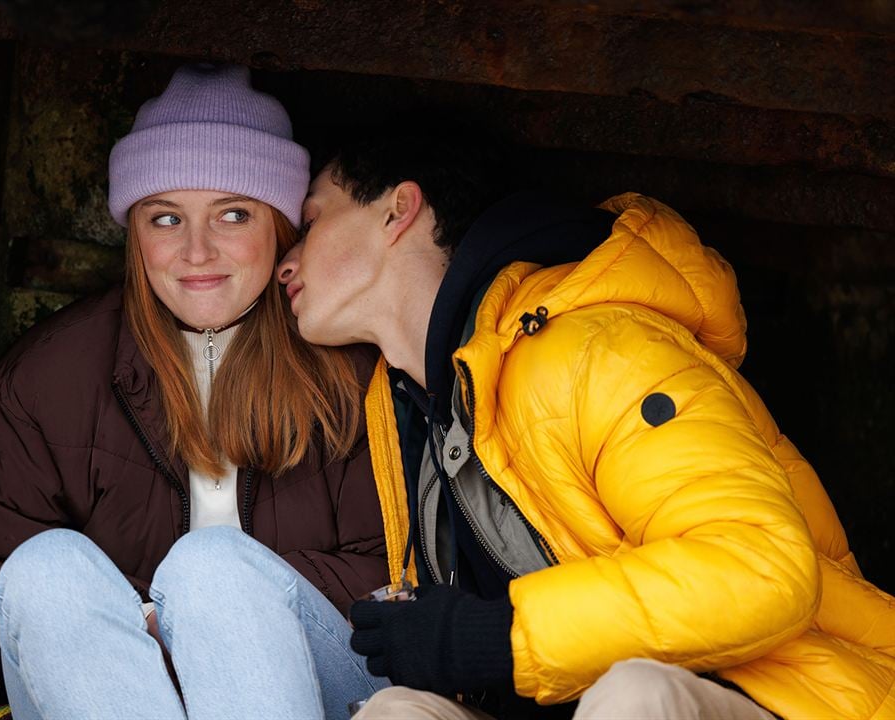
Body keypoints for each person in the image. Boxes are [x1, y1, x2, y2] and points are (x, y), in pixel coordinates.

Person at [275, 130, 895, 719]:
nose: (286, 263)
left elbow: (762, 567)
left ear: (397, 211)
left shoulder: (597, 348)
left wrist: (499, 635)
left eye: (311, 222)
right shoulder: (418, 412)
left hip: (784, 698)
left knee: (634, 699)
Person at [0, 64, 390, 720]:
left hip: (322, 682)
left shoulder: (349, 368)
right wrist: (132, 625)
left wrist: (209, 615)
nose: (197, 250)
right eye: (166, 218)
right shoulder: (51, 375)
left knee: (213, 571)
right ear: (133, 234)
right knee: (43, 570)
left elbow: (403, 575)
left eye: (233, 214)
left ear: (281, 227)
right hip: (112, 689)